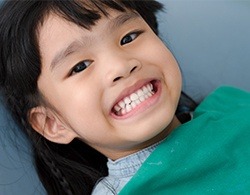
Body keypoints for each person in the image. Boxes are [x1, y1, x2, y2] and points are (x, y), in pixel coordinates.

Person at [0, 1, 249, 195]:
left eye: (128, 37)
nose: (121, 66)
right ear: (52, 124)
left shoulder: (233, 107)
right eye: (80, 66)